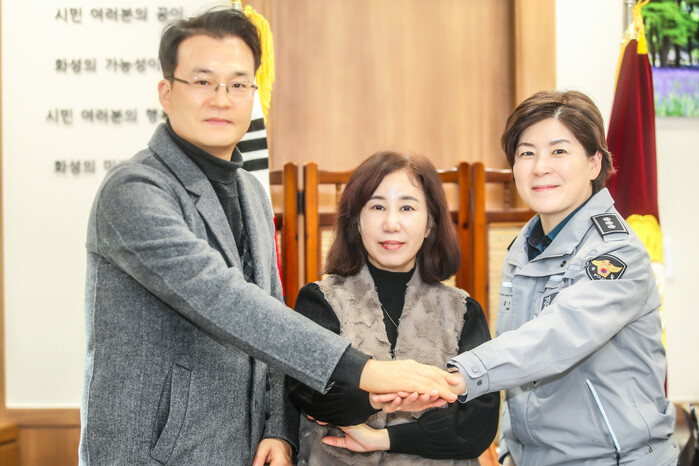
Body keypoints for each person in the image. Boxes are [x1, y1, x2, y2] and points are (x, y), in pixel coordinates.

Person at [79, 8, 461, 465]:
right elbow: (222, 300)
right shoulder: (134, 190)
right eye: (202, 81)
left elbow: (271, 310)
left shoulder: (250, 192)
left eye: (239, 84)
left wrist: (278, 428)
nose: (222, 99)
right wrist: (368, 371)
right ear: (166, 92)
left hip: (242, 451)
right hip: (152, 453)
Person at [407, 90, 675, 465]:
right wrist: (509, 449)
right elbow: (518, 357)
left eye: (559, 151)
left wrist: (459, 375)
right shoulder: (525, 246)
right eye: (526, 153)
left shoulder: (616, 253)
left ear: (594, 163)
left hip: (613, 458)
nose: (540, 167)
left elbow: (553, 339)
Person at [288, 151, 500, 464]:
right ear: (356, 222)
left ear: (430, 223)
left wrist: (385, 438)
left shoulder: (463, 311)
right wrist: (380, 397)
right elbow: (310, 394)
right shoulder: (320, 300)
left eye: (407, 207)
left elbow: (478, 422)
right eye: (377, 207)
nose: (391, 223)